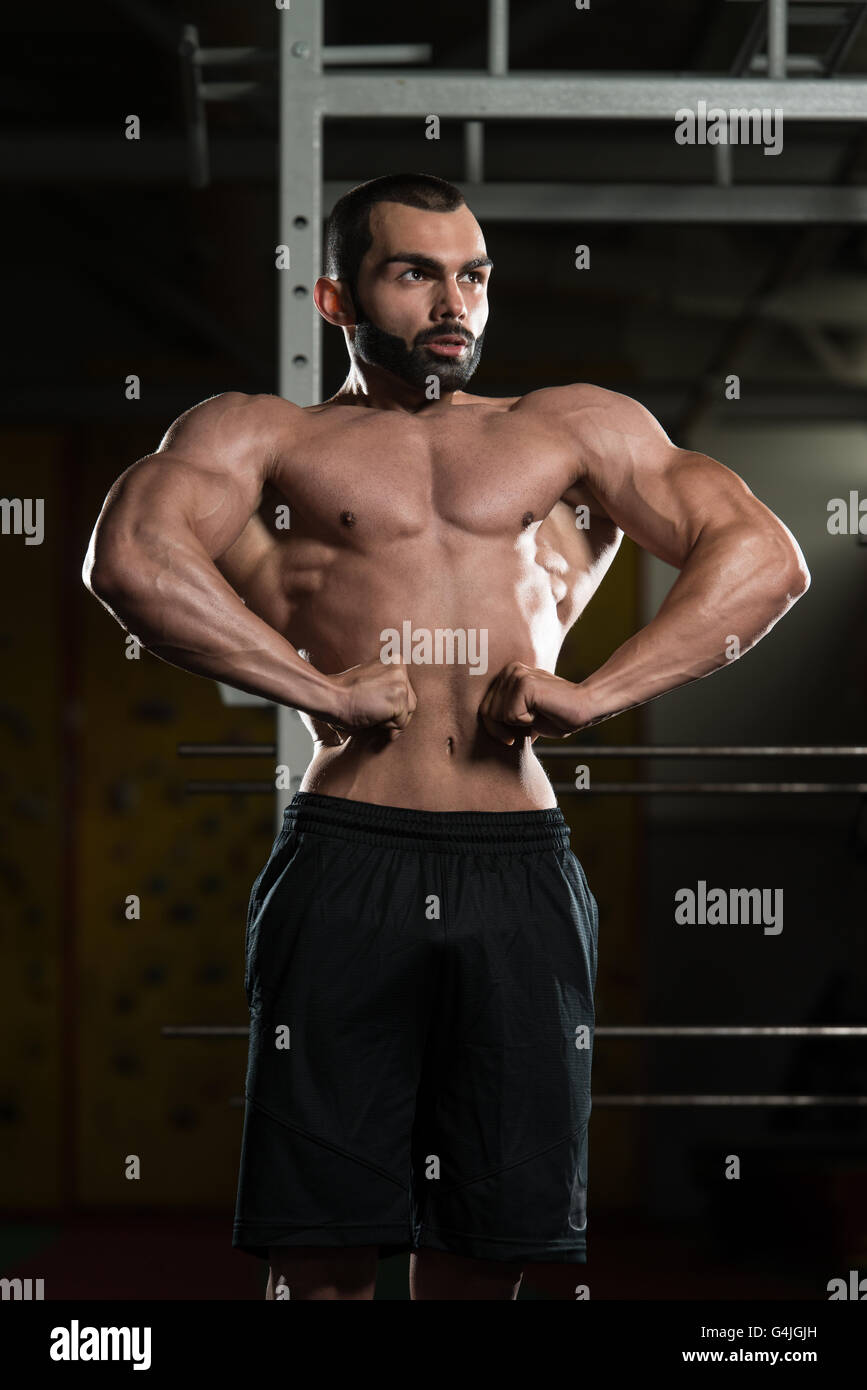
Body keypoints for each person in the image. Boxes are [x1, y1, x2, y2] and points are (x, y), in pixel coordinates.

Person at [82, 172, 810, 1300]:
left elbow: (765, 558)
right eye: (415, 271)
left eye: (470, 273)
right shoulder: (265, 435)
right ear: (337, 297)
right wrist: (311, 686)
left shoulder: (571, 430)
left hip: (517, 870)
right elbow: (127, 557)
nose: (452, 300)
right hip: (346, 855)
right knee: (321, 1251)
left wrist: (599, 694)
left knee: (491, 1242)